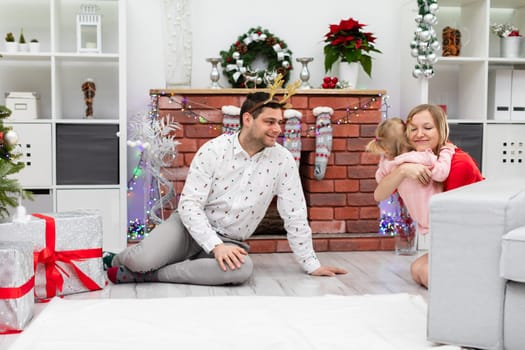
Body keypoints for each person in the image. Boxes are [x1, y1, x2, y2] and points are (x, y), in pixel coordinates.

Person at [106, 90, 347, 286]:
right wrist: (214, 245)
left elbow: (294, 213)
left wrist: (311, 263)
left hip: (232, 239)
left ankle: (152, 275)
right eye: (270, 122)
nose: (278, 129)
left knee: (242, 270)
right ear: (248, 119)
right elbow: (189, 205)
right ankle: (116, 261)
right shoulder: (213, 150)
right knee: (142, 259)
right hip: (188, 228)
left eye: (279, 122)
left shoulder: (282, 160)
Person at [373, 105, 483, 288]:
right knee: (417, 268)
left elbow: (458, 218)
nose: (419, 134)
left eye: (428, 128)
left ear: (441, 129)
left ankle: (468, 286)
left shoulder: (458, 163)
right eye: (413, 129)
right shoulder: (412, 159)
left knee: (426, 272)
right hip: (448, 233)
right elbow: (379, 194)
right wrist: (402, 170)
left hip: (471, 234)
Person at [366, 117, 455, 235]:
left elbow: (379, 179)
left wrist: (385, 157)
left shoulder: (389, 166)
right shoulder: (421, 157)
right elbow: (441, 173)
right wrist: (447, 151)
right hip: (437, 215)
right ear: (407, 139)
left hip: (419, 218)